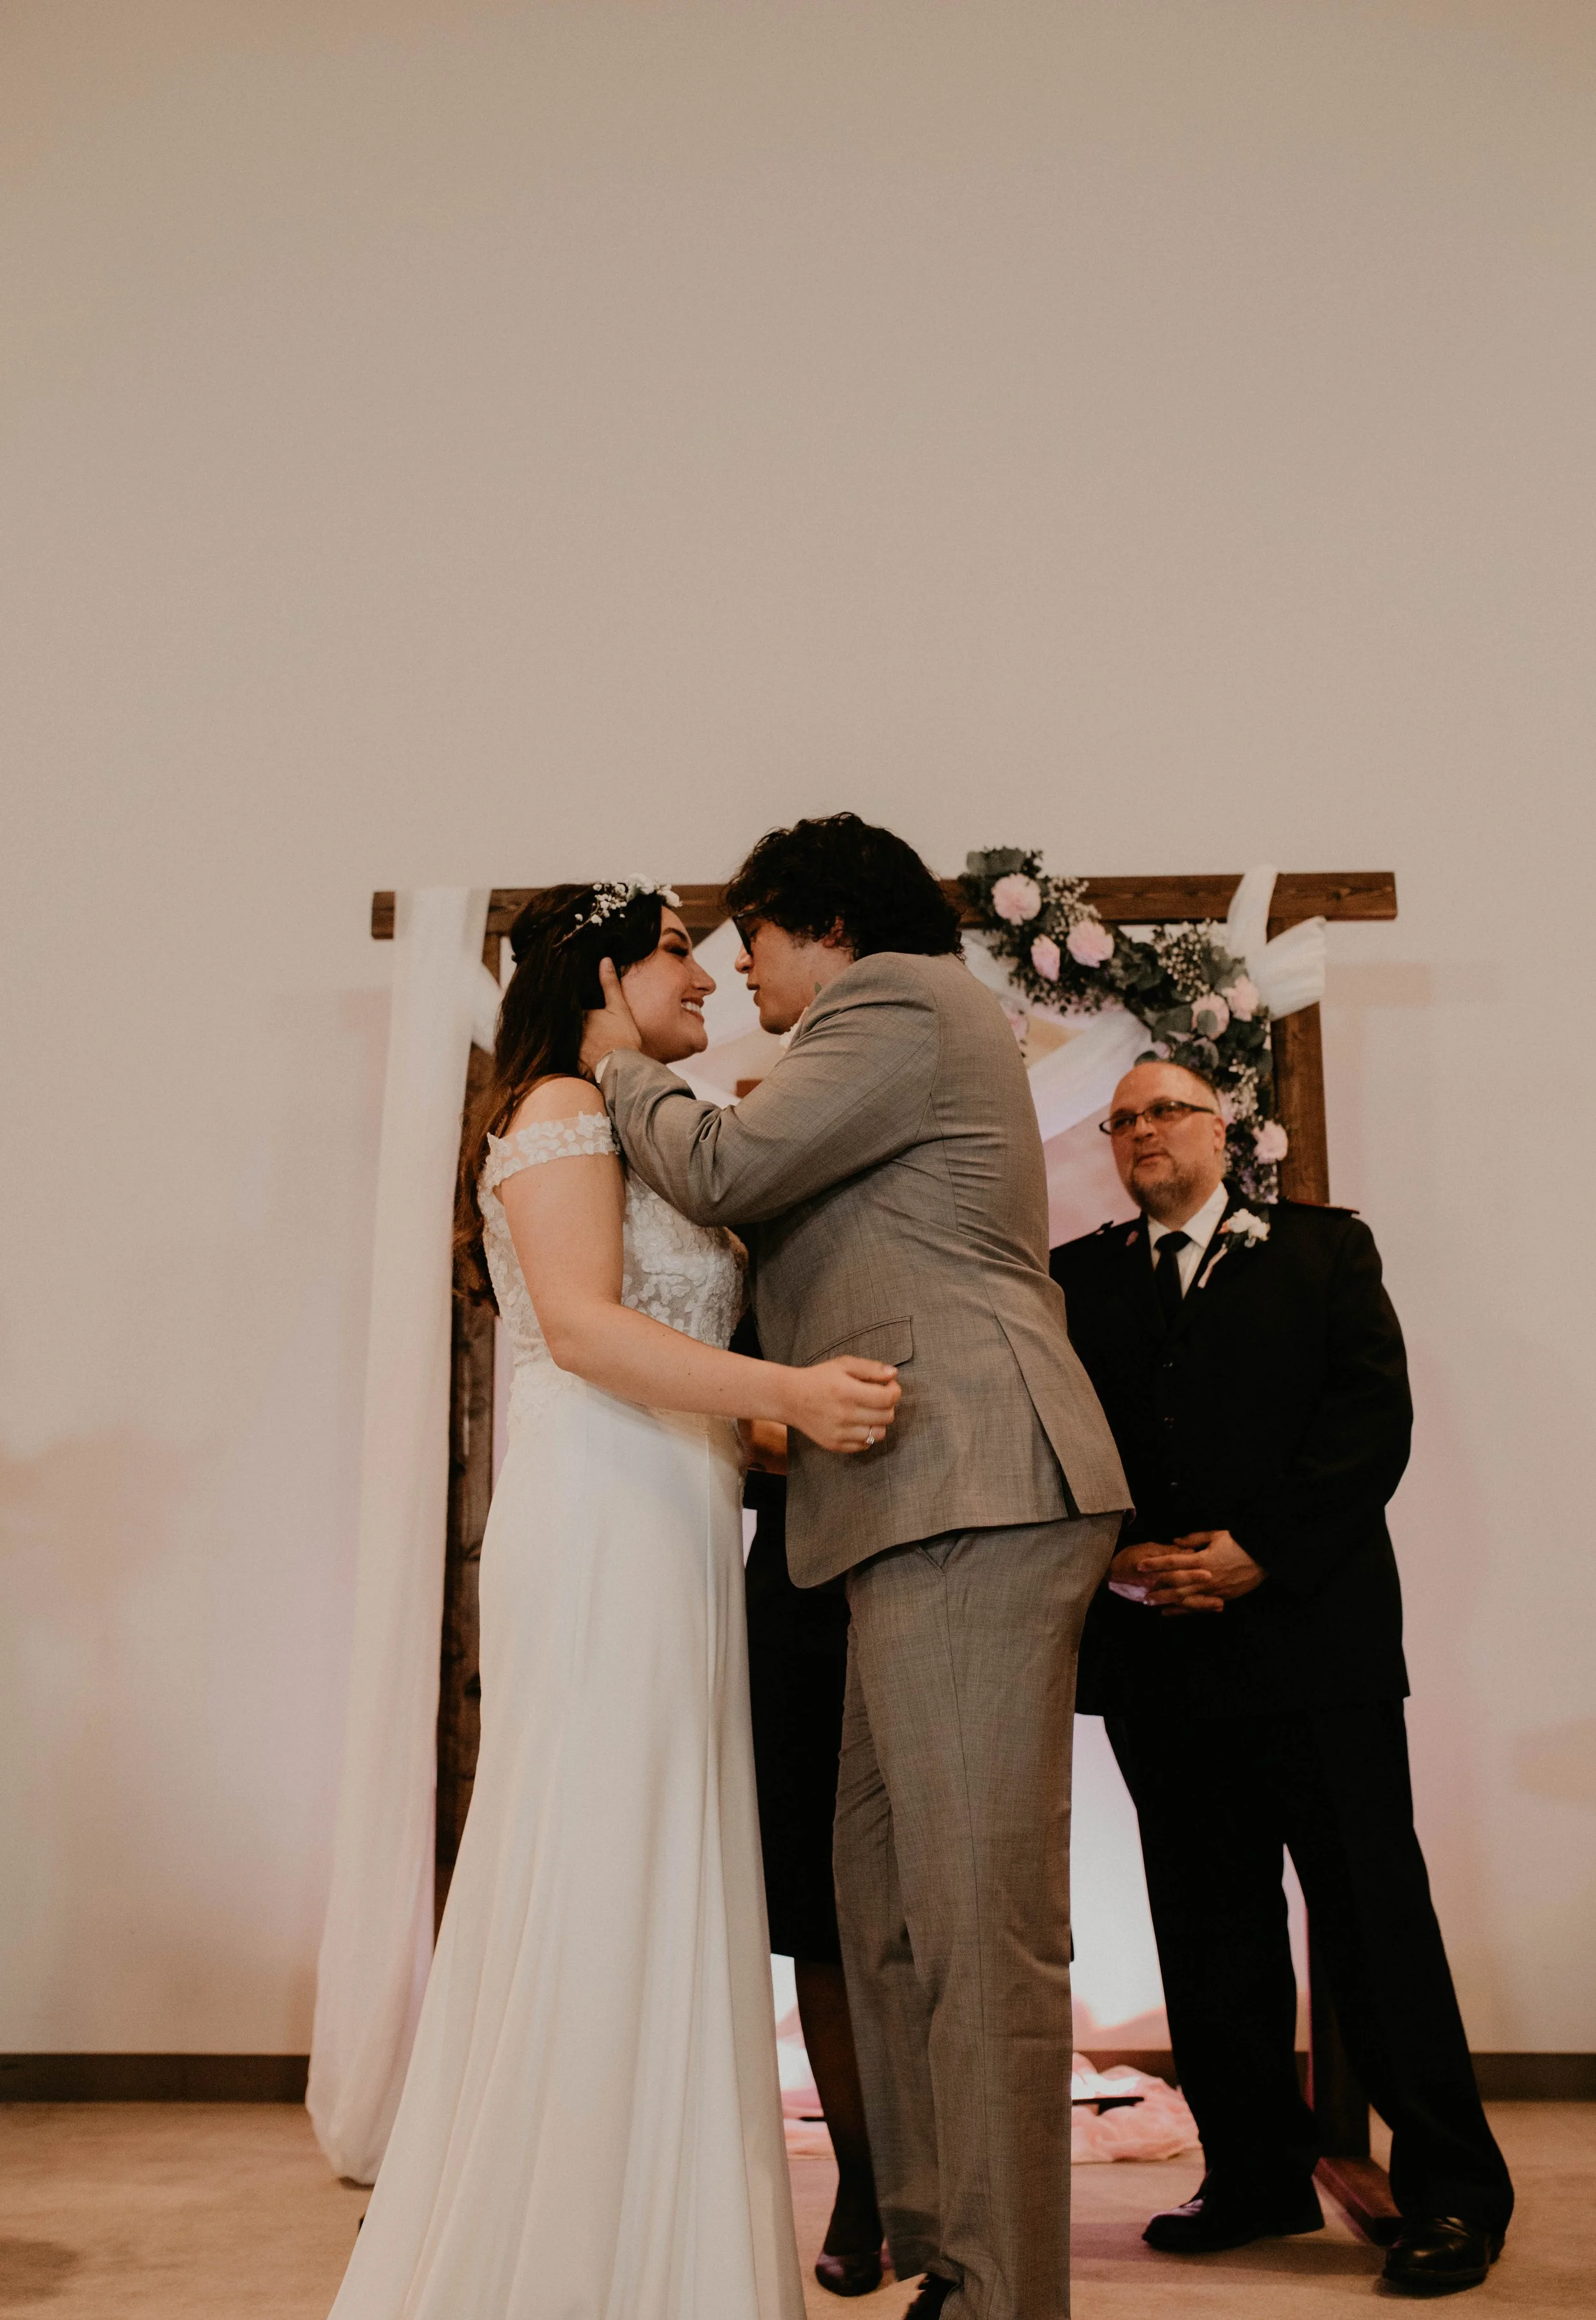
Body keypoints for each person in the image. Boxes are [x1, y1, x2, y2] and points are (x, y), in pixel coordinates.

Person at [582, 815, 1131, 2320]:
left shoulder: (897, 997)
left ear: (813, 919)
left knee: (974, 1922)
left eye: (744, 936)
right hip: (901, 1502)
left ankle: (1002, 2292)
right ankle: (940, 2248)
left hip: (972, 1478)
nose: (735, 968)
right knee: (876, 1905)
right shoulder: (886, 1024)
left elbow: (721, 1161)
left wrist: (610, 1060)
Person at [327, 882, 901, 2320]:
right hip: (598, 1518)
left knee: (672, 1854)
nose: (703, 980)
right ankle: (567, 2251)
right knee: (597, 1852)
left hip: (680, 1518)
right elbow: (584, 1327)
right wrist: (791, 1395)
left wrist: (763, 1427)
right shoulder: (552, 1113)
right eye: (673, 956)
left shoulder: (633, 1122)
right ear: (599, 968)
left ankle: (671, 2250)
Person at [1051, 1058, 1514, 2300]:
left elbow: (1371, 1417)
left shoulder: (1323, 1249)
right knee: (1207, 1926)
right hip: (1157, 1644)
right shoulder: (1077, 1275)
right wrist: (1113, 1549)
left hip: (1314, 1642)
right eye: (1123, 1119)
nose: (1143, 1130)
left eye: (1166, 1110)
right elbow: (1053, 1431)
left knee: (1370, 1914)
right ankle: (1253, 2171)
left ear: (1221, 1130)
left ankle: (1451, 2192)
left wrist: (1258, 1549)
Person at [735, 1314, 884, 2298]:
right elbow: (742, 1429)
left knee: (955, 1893)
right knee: (820, 1908)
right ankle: (865, 2183)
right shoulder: (766, 1265)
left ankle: (967, 2186)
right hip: (796, 1596)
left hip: (939, 1567)